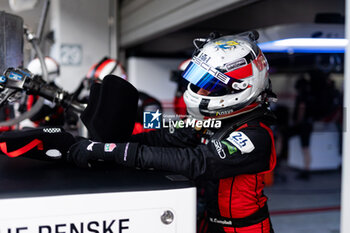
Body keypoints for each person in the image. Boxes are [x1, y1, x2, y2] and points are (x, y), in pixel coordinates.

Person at [68, 31, 277, 233]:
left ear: (240, 88)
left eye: (210, 85)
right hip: (206, 221)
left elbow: (197, 162)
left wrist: (118, 151)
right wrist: (110, 147)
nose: (199, 90)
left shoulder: (257, 136)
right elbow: (166, 136)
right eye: (198, 81)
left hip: (243, 229)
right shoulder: (212, 120)